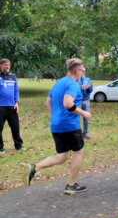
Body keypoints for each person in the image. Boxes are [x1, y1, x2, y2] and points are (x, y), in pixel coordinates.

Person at [22, 58, 91, 195]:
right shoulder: (73, 84)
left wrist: (57, 115)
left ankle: (35, 167)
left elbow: (48, 102)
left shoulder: (59, 82)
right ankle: (71, 186)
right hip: (69, 125)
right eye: (83, 70)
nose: (83, 73)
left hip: (56, 125)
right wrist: (84, 113)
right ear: (77, 71)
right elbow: (68, 103)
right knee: (79, 152)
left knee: (62, 156)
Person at [0, 58, 25, 154]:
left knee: (15, 127)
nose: (7, 67)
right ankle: (0, 148)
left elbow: (16, 91)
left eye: (9, 65)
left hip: (12, 106)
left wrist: (17, 102)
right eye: (5, 65)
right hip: (0, 107)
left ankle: (18, 145)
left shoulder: (13, 77)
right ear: (1, 65)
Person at [79, 71, 93, 139]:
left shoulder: (87, 79)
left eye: (84, 71)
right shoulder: (76, 79)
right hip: (78, 100)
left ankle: (86, 133)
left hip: (86, 100)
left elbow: (91, 89)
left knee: (86, 118)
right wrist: (80, 88)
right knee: (76, 118)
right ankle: (77, 133)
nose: (83, 72)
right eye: (81, 71)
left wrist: (88, 88)